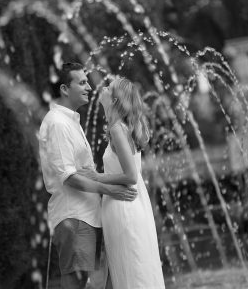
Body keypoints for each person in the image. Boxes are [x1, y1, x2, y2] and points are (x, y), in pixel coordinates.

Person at [38, 63, 137, 289]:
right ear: (64, 89)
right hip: (73, 214)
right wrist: (109, 190)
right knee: (77, 281)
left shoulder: (70, 121)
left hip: (86, 214)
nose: (90, 87)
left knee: (87, 282)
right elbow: (69, 177)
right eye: (82, 82)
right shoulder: (58, 124)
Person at [78, 77, 166, 289]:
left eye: (109, 87)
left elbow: (131, 175)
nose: (104, 88)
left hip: (123, 207)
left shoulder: (118, 129)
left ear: (115, 100)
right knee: (131, 268)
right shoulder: (120, 128)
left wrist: (97, 176)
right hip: (126, 206)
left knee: (131, 269)